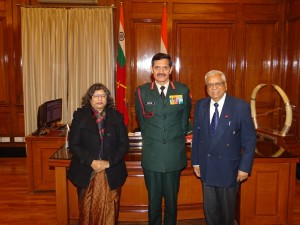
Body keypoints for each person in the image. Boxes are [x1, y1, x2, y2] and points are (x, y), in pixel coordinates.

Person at [191, 70, 257, 225]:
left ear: (225, 85)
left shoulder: (240, 106)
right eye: (210, 85)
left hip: (230, 169)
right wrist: (196, 162)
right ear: (206, 87)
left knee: (227, 214)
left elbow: (249, 140)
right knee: (210, 212)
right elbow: (197, 136)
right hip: (206, 167)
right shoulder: (201, 105)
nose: (214, 88)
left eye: (218, 84)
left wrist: (245, 168)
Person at [135, 53, 192, 225]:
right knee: (153, 200)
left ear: (171, 70)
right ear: (152, 70)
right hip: (152, 155)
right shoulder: (142, 92)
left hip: (174, 154)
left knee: (171, 200)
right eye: (157, 67)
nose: (161, 71)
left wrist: (175, 137)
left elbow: (184, 120)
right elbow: (142, 122)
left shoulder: (182, 90)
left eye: (165, 67)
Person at [67, 83, 129, 225]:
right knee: (87, 210)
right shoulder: (80, 117)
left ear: (107, 98)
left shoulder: (117, 117)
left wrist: (109, 162)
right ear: (90, 98)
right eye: (96, 96)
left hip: (111, 170)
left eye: (103, 95)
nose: (100, 99)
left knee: (110, 211)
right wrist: (91, 161)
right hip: (87, 170)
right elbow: (74, 144)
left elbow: (124, 145)